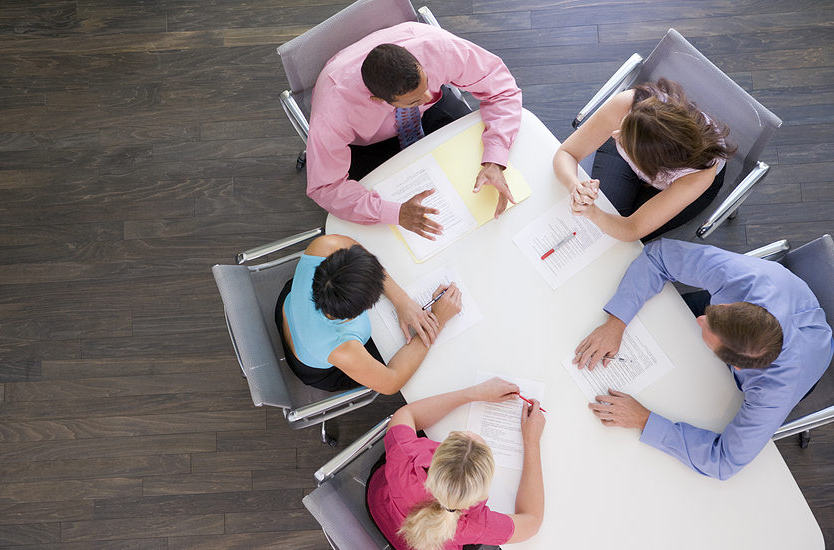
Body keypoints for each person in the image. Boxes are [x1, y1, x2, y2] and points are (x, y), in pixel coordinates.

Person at [573, 239, 833, 480]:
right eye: (717, 311)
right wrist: (617, 322)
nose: (701, 319)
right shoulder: (744, 279)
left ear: (736, 366)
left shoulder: (773, 392)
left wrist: (643, 419)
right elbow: (659, 256)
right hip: (783, 300)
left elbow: (724, 461)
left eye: (709, 329)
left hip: (808, 357)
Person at [307, 22, 522, 240]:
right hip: (372, 144)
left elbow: (502, 88)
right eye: (415, 99)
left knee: (476, 168)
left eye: (426, 83)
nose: (429, 96)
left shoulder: (437, 48)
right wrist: (394, 213)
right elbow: (326, 187)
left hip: (430, 115)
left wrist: (495, 158)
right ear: (379, 100)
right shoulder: (333, 112)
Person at [367, 377, 545, 550]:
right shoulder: (476, 525)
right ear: (481, 493)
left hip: (379, 506)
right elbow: (532, 522)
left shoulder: (406, 455)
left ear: (437, 457)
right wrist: (532, 441)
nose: (470, 432)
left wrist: (473, 393)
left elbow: (406, 414)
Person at [275, 233, 462, 395]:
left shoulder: (323, 246)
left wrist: (401, 300)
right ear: (359, 313)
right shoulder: (343, 349)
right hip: (317, 368)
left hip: (289, 307)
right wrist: (438, 320)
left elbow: (352, 245)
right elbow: (391, 382)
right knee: (395, 349)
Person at [553, 78, 736, 242]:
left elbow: (633, 228)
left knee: (613, 235)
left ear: (648, 164)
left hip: (679, 180)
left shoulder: (699, 175)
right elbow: (567, 153)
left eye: (623, 140)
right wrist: (574, 186)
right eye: (624, 123)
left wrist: (593, 213)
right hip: (646, 149)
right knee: (607, 217)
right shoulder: (629, 104)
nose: (614, 134)